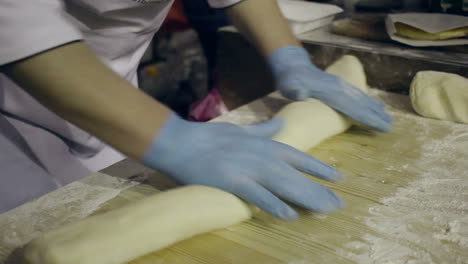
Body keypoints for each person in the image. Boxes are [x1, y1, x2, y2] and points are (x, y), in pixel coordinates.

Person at [0, 0, 392, 217]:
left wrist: (289, 56)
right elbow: (15, 23)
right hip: (10, 104)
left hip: (110, 99)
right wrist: (170, 139)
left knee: (95, 212)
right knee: (29, 225)